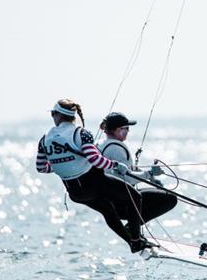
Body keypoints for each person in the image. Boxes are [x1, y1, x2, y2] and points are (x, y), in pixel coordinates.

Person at [36, 99, 152, 253]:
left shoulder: (44, 139)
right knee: (135, 197)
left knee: (108, 210)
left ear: (58, 115)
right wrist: (115, 165)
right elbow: (95, 159)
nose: (52, 117)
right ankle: (136, 240)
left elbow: (41, 167)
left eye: (52, 114)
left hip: (76, 193)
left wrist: (62, 163)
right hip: (95, 184)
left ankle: (132, 243)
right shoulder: (81, 133)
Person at [99, 112, 178, 225]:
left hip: (109, 199)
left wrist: (150, 178)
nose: (128, 131)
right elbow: (127, 178)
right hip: (121, 203)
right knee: (170, 199)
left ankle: (131, 230)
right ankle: (131, 230)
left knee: (158, 192)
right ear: (117, 130)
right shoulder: (116, 149)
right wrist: (150, 173)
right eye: (126, 128)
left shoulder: (101, 144)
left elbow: (121, 171)